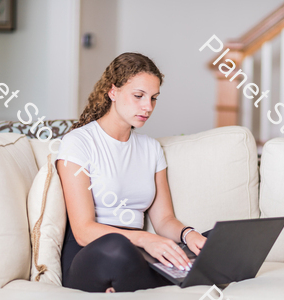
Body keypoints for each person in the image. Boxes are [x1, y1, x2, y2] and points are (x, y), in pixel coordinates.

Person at [55, 52, 208, 293]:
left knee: (212, 244)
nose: (148, 107)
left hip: (136, 253)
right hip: (93, 251)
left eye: (154, 98)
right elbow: (83, 230)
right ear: (113, 92)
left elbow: (164, 220)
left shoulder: (150, 148)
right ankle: (168, 279)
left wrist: (189, 235)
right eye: (139, 96)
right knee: (118, 246)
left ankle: (140, 281)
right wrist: (145, 239)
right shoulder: (78, 143)